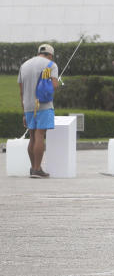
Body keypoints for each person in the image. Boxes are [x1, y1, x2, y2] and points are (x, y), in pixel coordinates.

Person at [18, 44, 59, 178]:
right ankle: (37, 169)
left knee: (32, 136)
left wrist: (24, 112)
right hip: (43, 105)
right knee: (40, 135)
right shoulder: (51, 64)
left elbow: (21, 91)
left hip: (29, 105)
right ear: (50, 55)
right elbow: (54, 85)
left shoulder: (24, 65)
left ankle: (33, 167)